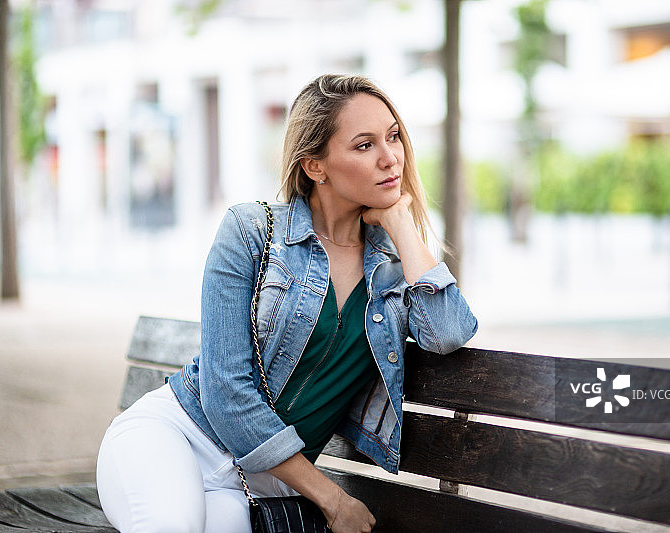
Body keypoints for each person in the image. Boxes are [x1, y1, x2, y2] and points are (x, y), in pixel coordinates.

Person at [96, 74, 478, 533]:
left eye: (393, 136)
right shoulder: (252, 232)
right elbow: (228, 393)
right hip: (174, 436)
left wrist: (403, 226)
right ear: (316, 166)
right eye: (363, 145)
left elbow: (450, 331)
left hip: (257, 486)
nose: (389, 157)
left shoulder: (396, 268)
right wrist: (333, 500)